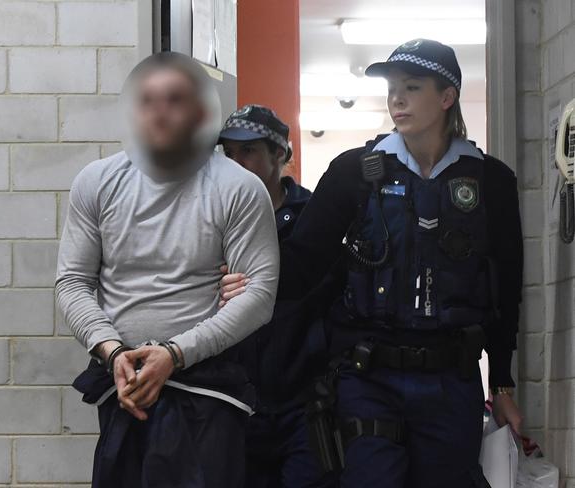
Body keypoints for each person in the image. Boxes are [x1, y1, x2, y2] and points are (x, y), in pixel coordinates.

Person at [219, 39, 523, 487]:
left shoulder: (489, 180)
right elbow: (304, 264)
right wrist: (250, 283)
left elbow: (506, 285)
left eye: (412, 87)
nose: (397, 99)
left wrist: (501, 383)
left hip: (451, 378)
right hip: (369, 378)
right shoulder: (354, 171)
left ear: (446, 97)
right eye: (392, 88)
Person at [56, 52, 280, 488]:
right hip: (124, 383)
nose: (159, 112)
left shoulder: (238, 188)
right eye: (148, 101)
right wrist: (112, 351)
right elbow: (72, 282)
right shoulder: (97, 182)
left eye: (174, 100)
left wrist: (174, 354)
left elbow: (258, 296)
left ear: (200, 112)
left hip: (206, 392)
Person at [218, 105, 338, 488]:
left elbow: (329, 294)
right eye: (229, 153)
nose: (236, 162)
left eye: (249, 150)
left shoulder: (315, 216)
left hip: (303, 398)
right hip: (235, 397)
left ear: (280, 155)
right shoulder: (210, 218)